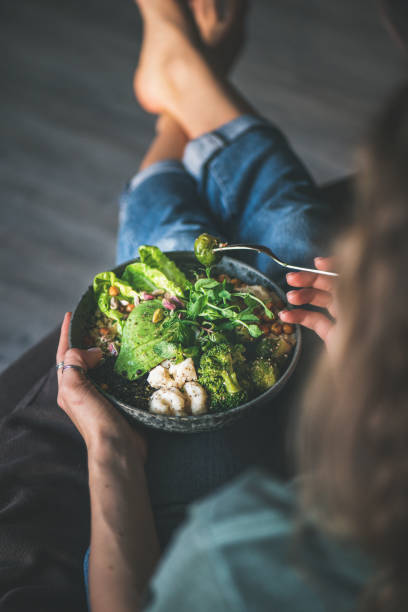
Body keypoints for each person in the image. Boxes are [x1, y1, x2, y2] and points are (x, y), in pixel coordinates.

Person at [56, 0, 408, 611]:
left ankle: (182, 89)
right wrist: (379, 359)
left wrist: (111, 451)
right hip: (363, 443)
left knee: (165, 243)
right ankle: (186, 79)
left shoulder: (234, 560)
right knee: (296, 228)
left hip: (239, 480)